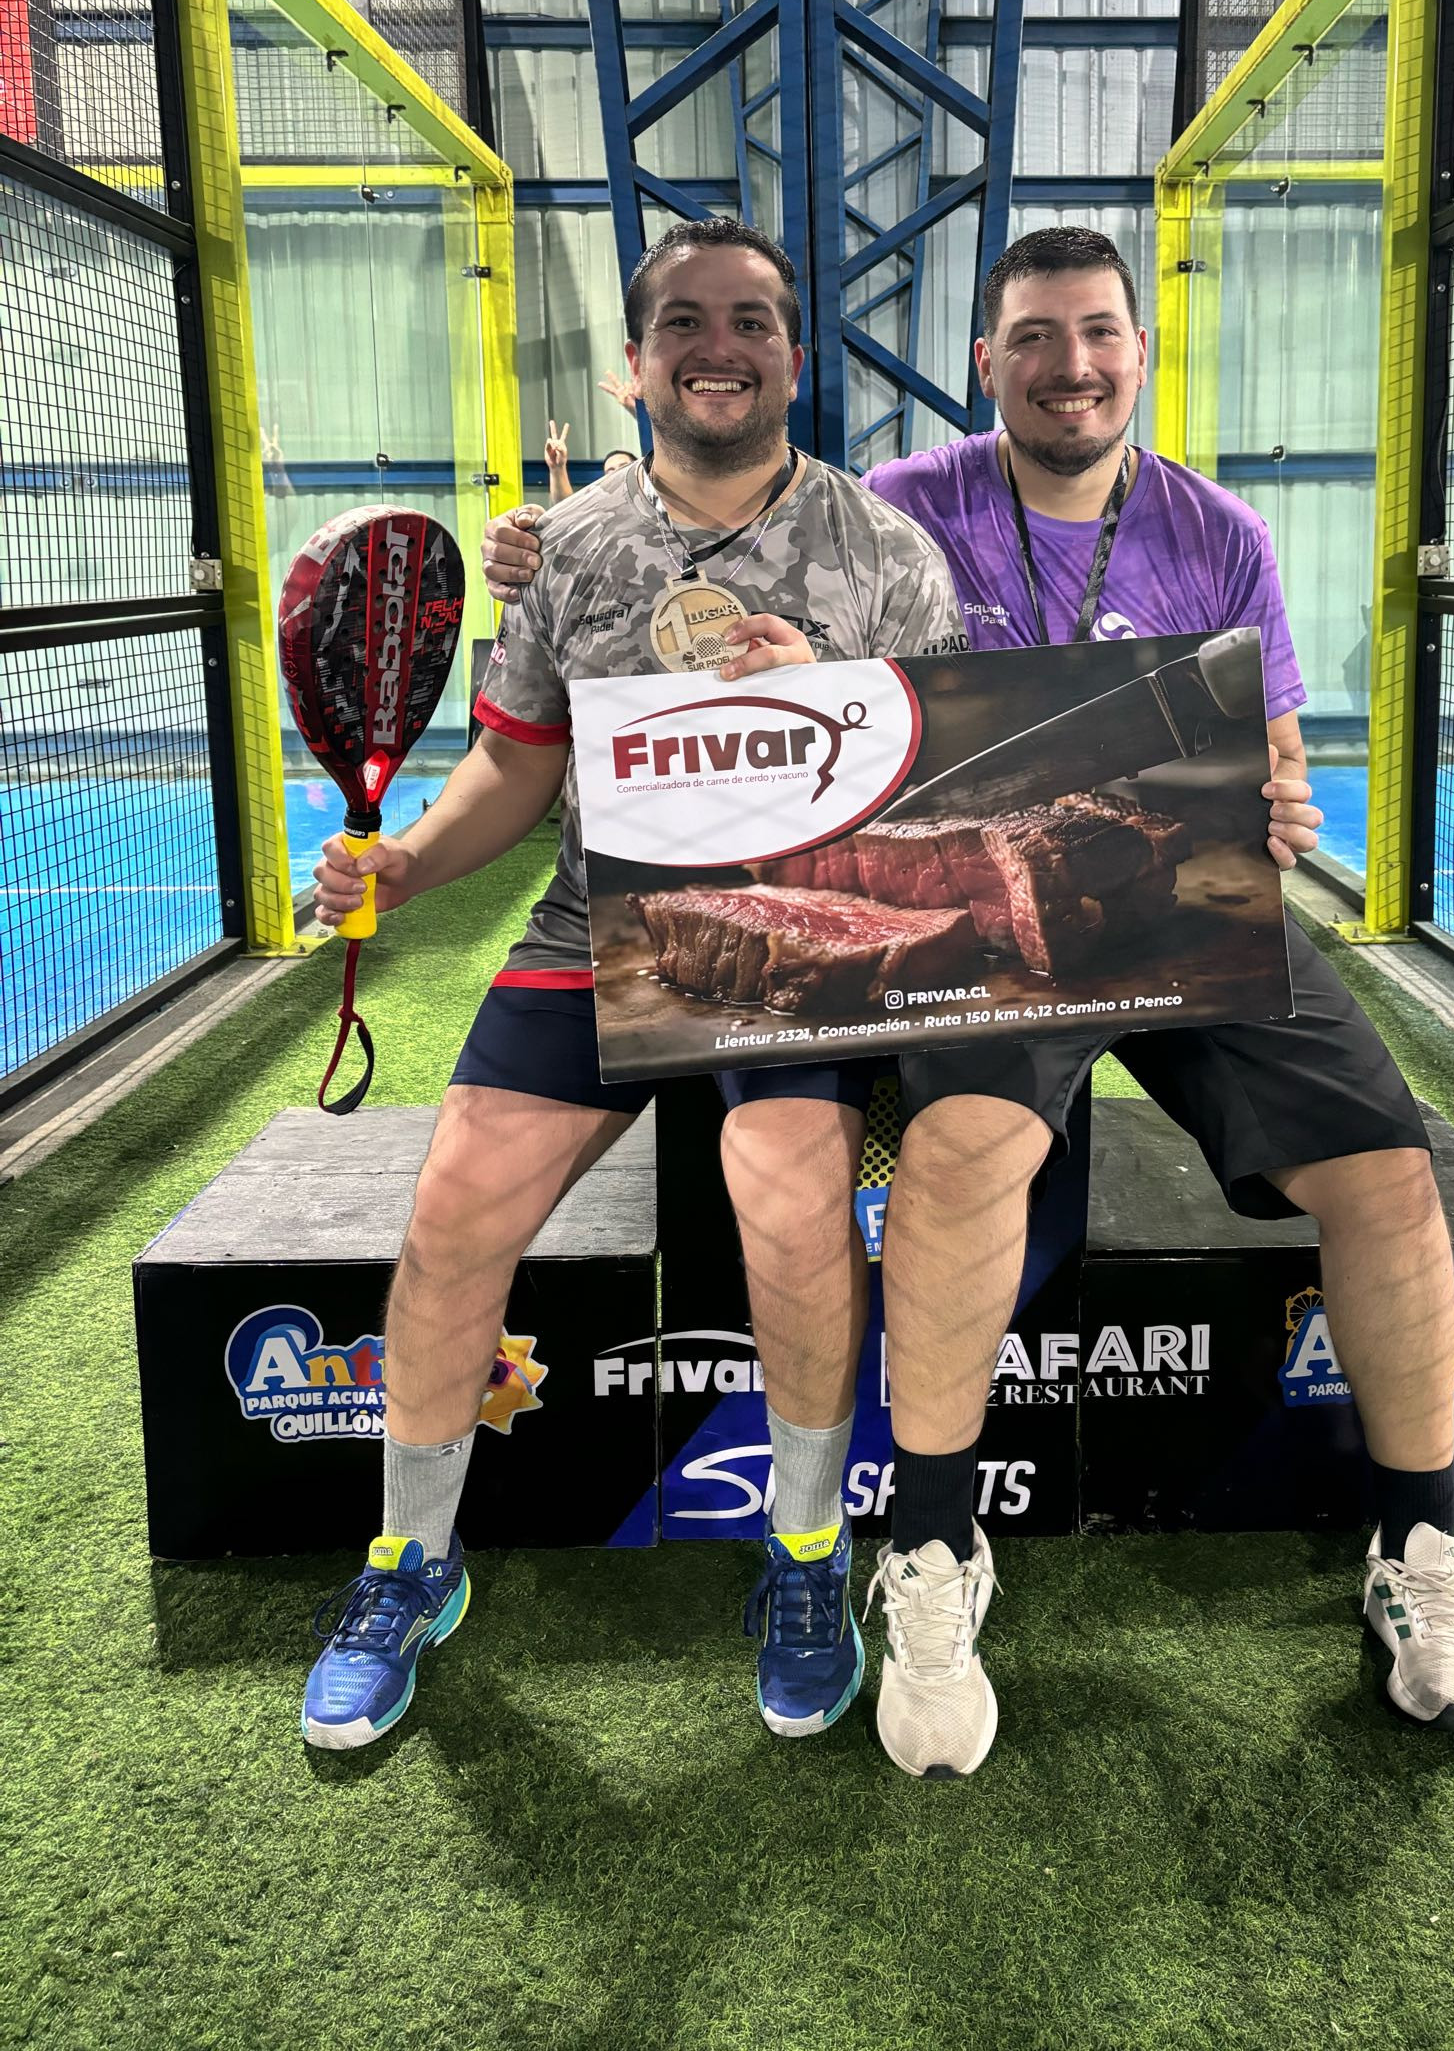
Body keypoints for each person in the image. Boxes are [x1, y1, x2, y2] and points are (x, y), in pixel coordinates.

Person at [484, 226, 1454, 1772]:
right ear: (988, 363)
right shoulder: (904, 505)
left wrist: (1284, 805)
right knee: (963, 1159)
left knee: (1385, 1168)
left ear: (1138, 352)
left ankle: (1420, 1548)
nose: (1070, 366)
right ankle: (937, 1548)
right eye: (1034, 337)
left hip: (1192, 898)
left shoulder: (1220, 531)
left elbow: (1278, 751)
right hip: (983, 917)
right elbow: (724, 526)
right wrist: (552, 541)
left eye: (1097, 333)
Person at [301, 217, 970, 1757]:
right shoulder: (572, 548)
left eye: (750, 321)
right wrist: (406, 867)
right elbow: (514, 765)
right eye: (683, 322)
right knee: (451, 1212)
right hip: (594, 929)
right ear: (634, 361)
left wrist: (831, 702)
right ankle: (411, 1561)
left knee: (789, 1193)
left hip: (795, 940)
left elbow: (940, 786)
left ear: (796, 355)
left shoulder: (886, 555)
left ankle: (807, 1556)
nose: (717, 347)